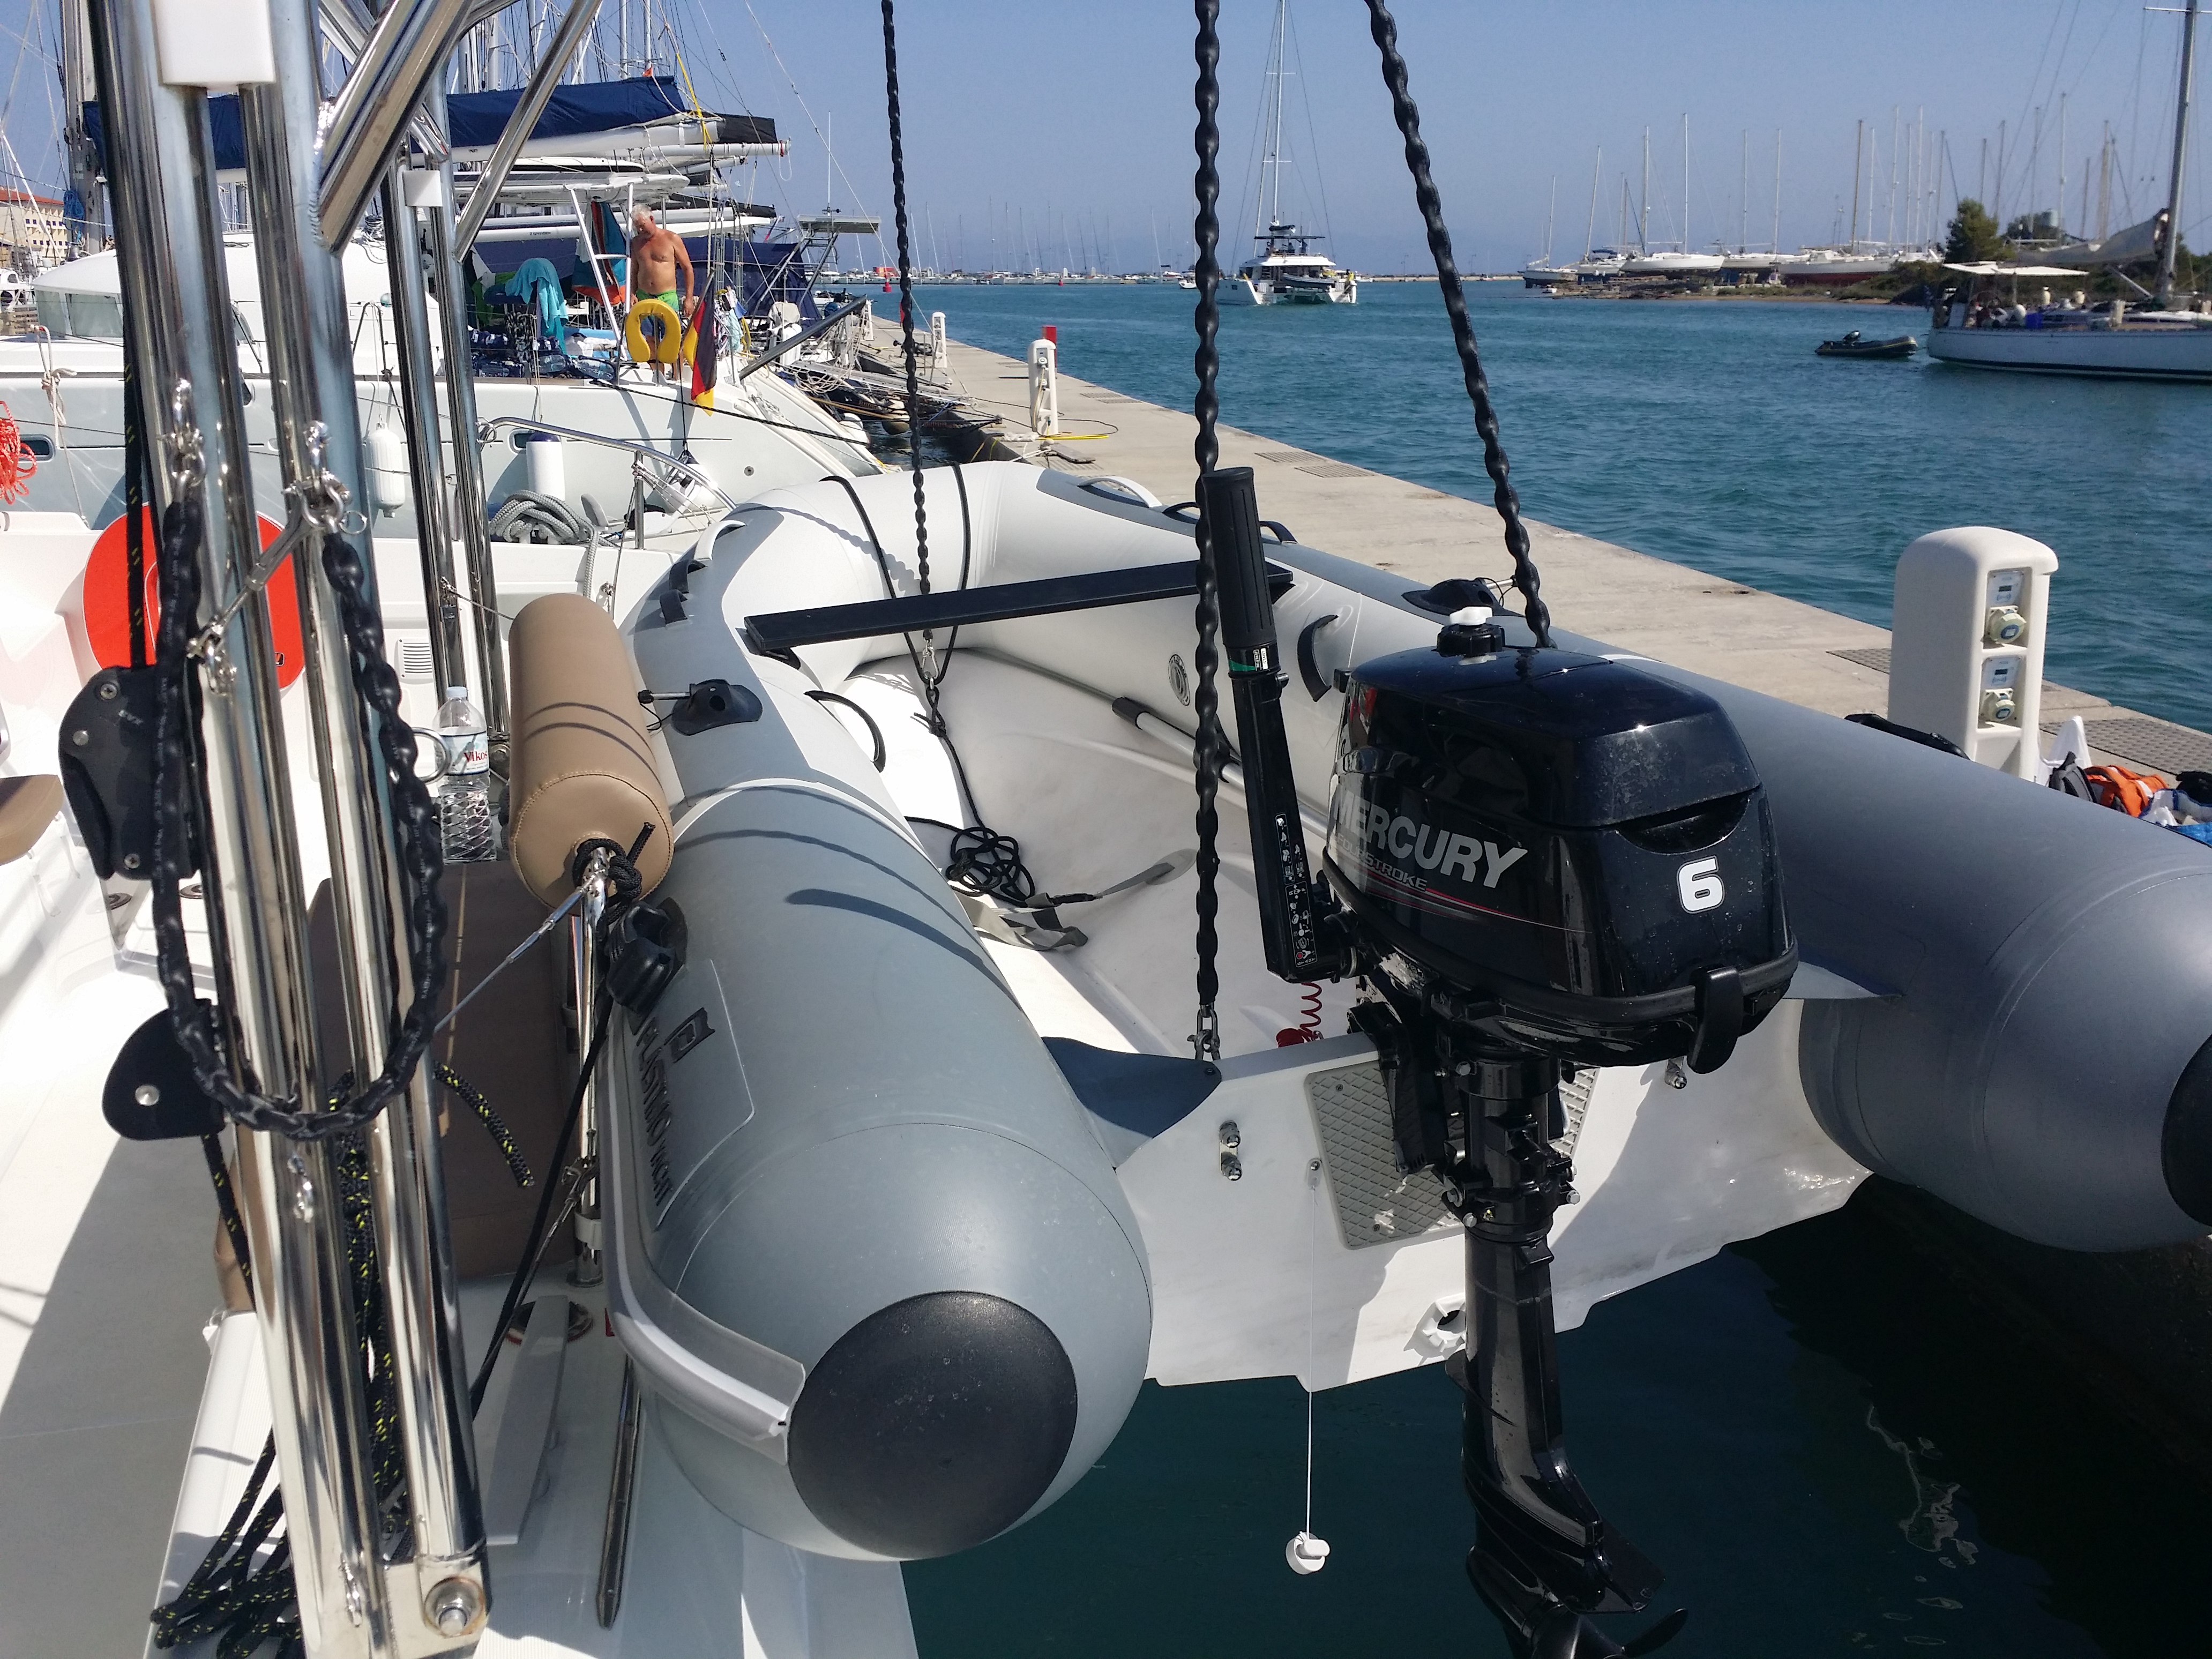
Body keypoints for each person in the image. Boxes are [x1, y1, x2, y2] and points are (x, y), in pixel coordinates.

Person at [629, 207, 693, 375]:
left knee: (673, 340)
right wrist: (631, 293)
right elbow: (634, 270)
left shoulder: (671, 238)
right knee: (650, 339)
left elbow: (687, 268)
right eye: (637, 227)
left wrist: (688, 299)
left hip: (667, 297)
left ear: (652, 219)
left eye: (642, 225)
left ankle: (677, 376)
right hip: (644, 296)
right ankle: (658, 376)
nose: (640, 230)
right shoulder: (636, 243)